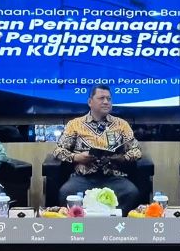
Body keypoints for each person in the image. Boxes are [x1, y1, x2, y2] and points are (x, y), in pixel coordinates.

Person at [53, 84, 142, 215]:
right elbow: (58, 151)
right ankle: (80, 225)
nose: (106, 102)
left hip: (113, 177)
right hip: (83, 177)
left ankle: (116, 225)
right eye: (101, 98)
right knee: (66, 192)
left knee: (131, 192)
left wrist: (122, 158)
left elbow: (137, 151)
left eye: (109, 99)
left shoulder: (121, 124)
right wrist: (77, 157)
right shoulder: (75, 124)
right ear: (90, 102)